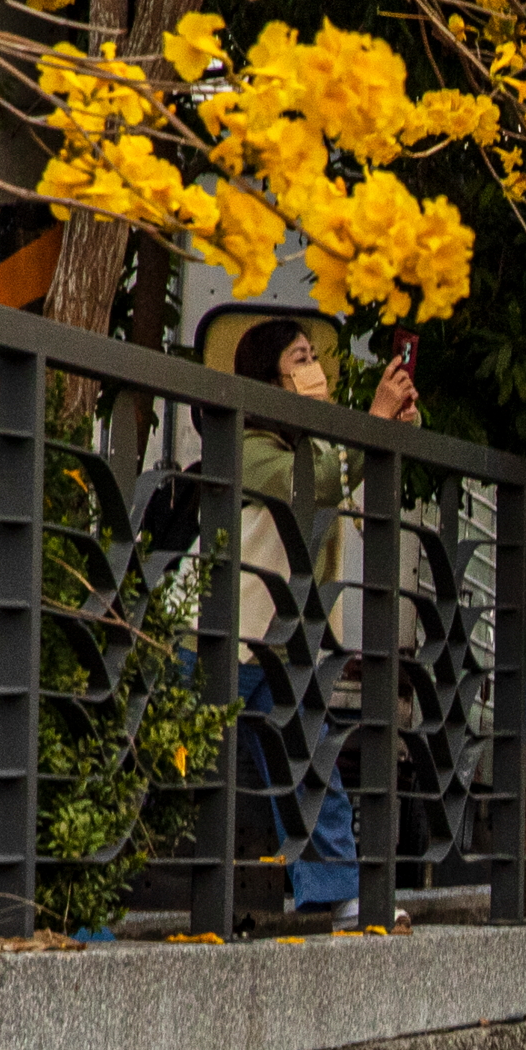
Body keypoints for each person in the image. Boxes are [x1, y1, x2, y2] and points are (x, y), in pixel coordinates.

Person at [235, 317, 418, 916]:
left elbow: (345, 483)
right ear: (268, 381)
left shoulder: (311, 443)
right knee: (153, 758)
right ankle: (73, 895)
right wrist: (369, 423)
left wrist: (388, 429)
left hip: (289, 638)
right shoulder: (247, 445)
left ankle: (333, 897)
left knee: (312, 760)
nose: (313, 370)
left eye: (315, 357)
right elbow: (311, 485)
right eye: (299, 360)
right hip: (225, 636)